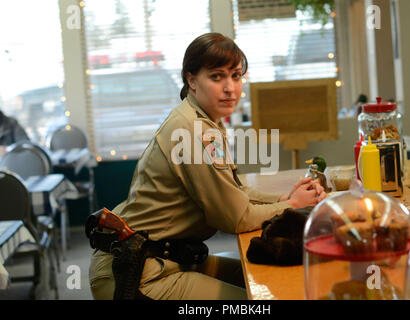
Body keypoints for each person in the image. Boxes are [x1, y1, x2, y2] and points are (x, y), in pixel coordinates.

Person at [89, 33, 327, 300]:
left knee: (263, 277)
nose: (230, 87)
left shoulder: (205, 121)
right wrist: (293, 206)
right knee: (261, 299)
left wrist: (284, 199)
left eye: (236, 76)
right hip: (138, 273)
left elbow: (233, 191)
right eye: (217, 77)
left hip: (165, 255)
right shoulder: (194, 130)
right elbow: (235, 218)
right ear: (191, 80)